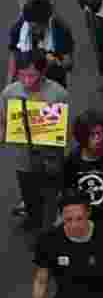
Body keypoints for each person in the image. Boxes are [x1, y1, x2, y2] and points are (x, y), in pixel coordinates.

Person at [1, 54, 68, 234]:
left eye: (32, 75)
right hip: (23, 159)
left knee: (50, 199)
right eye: (22, 75)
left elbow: (65, 131)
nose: (26, 81)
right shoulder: (9, 93)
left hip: (50, 158)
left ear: (43, 72)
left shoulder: (58, 93)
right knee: (30, 198)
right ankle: (34, 221)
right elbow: (3, 122)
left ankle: (47, 234)